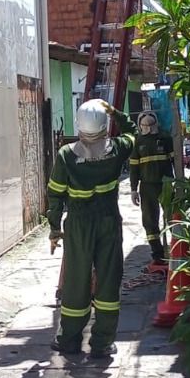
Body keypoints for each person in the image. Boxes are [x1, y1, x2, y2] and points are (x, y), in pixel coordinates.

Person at [47, 98, 136, 357]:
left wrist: (54, 229)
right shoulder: (117, 149)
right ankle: (102, 343)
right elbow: (132, 132)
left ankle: (70, 340)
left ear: (79, 124)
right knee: (109, 278)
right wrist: (116, 110)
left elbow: (55, 195)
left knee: (76, 280)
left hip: (78, 223)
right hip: (108, 221)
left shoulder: (66, 155)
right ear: (105, 124)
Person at [129, 110, 174, 265]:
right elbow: (134, 168)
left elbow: (176, 161)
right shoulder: (138, 142)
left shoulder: (165, 138)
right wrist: (133, 189)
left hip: (166, 183)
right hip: (147, 187)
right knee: (150, 220)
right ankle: (157, 254)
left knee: (172, 217)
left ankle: (176, 249)